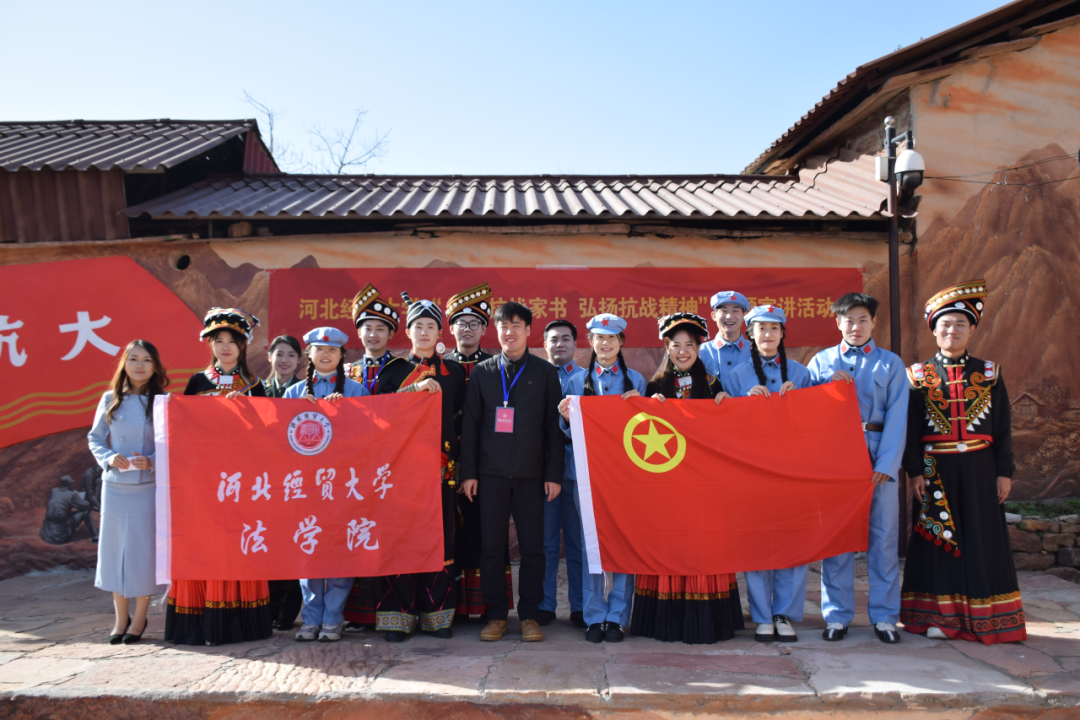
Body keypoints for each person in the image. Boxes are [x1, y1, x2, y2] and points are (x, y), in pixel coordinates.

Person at [899, 280, 1025, 644]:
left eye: (959, 324)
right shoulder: (918, 376)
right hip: (934, 472)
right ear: (934, 331)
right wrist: (914, 472)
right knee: (939, 541)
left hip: (981, 470)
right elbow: (911, 429)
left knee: (981, 540)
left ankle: (986, 617)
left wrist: (1004, 473)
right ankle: (938, 617)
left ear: (971, 330)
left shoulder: (990, 374)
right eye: (945, 324)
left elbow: (1002, 428)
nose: (951, 330)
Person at [631, 313, 744, 644]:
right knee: (668, 543)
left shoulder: (713, 385)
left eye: (690, 345)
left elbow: (728, 436)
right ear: (667, 348)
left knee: (703, 545)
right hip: (665, 488)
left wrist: (727, 407)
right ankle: (665, 620)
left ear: (698, 348)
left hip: (705, 487)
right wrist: (644, 407)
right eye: (676, 345)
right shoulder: (654, 386)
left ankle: (708, 619)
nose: (683, 351)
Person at [165, 308, 272, 646]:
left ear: (242, 346)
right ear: (210, 345)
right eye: (218, 341)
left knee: (238, 546)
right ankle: (198, 623)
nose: (225, 347)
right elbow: (181, 431)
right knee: (205, 545)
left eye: (232, 341)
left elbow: (268, 435)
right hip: (204, 483)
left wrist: (247, 410)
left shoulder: (256, 385)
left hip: (242, 484)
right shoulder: (197, 383)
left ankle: (240, 624)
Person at [460, 301, 564, 643]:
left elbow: (553, 429)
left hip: (532, 476)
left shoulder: (545, 373)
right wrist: (469, 473)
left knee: (533, 548)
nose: (509, 331)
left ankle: (530, 614)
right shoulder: (484, 372)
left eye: (516, 325)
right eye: (504, 326)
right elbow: (471, 426)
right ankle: (496, 615)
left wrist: (553, 474)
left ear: (528, 330)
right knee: (492, 548)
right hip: (490, 475)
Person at [807, 293, 908, 645]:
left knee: (884, 538)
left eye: (863, 319)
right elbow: (806, 414)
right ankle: (837, 616)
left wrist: (887, 464)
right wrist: (824, 388)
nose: (856, 326)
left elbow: (898, 416)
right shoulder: (820, 363)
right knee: (838, 539)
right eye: (848, 320)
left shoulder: (891, 364)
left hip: (877, 458)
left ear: (874, 322)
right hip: (836, 463)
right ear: (837, 322)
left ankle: (884, 617)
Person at [372, 292, 466, 641]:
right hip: (399, 473)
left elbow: (463, 423)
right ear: (408, 332)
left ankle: (437, 616)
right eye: (418, 326)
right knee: (401, 540)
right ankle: (398, 617)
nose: (424, 332)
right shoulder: (393, 371)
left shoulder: (455, 373)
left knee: (439, 542)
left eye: (430, 326)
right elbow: (377, 415)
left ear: (440, 333)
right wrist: (414, 389)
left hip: (440, 472)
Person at [725, 305, 812, 643]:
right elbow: (725, 426)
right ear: (750, 333)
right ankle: (762, 615)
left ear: (782, 334)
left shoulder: (802, 374)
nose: (768, 334)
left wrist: (799, 402)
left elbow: (817, 422)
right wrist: (743, 403)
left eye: (774, 328)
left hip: (793, 472)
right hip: (753, 472)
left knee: (793, 542)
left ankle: (784, 613)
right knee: (757, 542)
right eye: (761, 328)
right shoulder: (737, 376)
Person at [557, 313, 646, 643]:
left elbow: (646, 428)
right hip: (586, 476)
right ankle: (594, 615)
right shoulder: (575, 381)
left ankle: (617, 617)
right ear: (591, 342)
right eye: (599, 337)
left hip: (625, 478)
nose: (605, 343)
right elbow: (564, 433)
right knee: (590, 546)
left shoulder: (636, 381)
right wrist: (567, 419)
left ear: (621, 342)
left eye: (611, 338)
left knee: (622, 543)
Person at [281, 327, 371, 642]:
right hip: (305, 486)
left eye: (332, 350)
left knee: (339, 551)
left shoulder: (357, 391)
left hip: (342, 486)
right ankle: (311, 619)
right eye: (319, 349)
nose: (325, 355)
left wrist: (346, 412)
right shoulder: (293, 393)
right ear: (309, 354)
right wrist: (295, 411)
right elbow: (279, 440)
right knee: (309, 551)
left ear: (342, 356)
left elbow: (369, 438)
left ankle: (333, 618)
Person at [87, 339, 168, 644]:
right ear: (124, 363)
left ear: (155, 366)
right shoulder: (110, 399)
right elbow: (95, 438)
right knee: (115, 552)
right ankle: (120, 619)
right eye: (134, 359)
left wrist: (154, 460)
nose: (139, 365)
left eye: (146, 360)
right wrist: (109, 457)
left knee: (141, 553)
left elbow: (173, 443)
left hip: (147, 487)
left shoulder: (163, 402)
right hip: (115, 487)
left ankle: (140, 618)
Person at [443, 283, 514, 621]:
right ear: (451, 329)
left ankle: (488, 605)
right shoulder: (441, 367)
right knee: (451, 534)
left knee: (488, 532)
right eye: (461, 323)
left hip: (488, 463)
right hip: (446, 462)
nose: (467, 329)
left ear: (485, 329)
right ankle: (453, 605)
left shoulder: (496, 366)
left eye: (474, 323)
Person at [343, 284, 406, 630]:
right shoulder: (346, 372)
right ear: (359, 333)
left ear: (391, 334)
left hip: (390, 467)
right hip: (353, 471)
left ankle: (390, 610)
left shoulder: (404, 369)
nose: (373, 334)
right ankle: (357, 613)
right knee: (356, 536)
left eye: (381, 328)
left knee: (387, 537)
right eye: (367, 328)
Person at [540, 319, 586, 628]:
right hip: (541, 471)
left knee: (577, 541)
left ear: (575, 344)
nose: (560, 344)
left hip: (577, 470)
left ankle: (580, 606)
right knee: (545, 542)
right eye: (554, 339)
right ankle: (544, 604)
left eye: (566, 339)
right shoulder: (534, 376)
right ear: (545, 344)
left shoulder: (586, 380)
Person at [699, 291, 751, 389]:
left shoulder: (755, 352)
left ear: (744, 316)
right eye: (724, 311)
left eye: (735, 311)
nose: (729, 316)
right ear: (714, 316)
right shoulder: (700, 352)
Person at [39, 475, 96, 545]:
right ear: (69, 484)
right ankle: (95, 537)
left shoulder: (53, 491)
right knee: (86, 512)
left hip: (47, 534)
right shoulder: (71, 495)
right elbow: (87, 506)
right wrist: (82, 499)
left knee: (64, 514)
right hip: (60, 534)